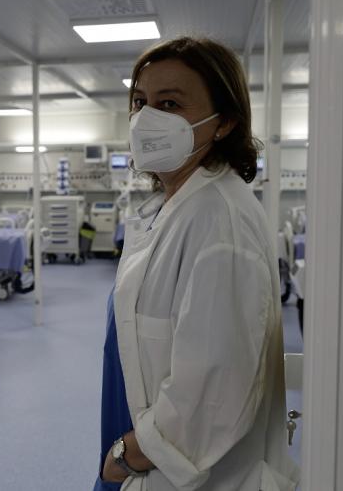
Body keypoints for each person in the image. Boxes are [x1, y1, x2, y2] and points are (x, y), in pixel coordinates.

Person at [93, 37, 300, 491]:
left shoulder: (220, 223)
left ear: (224, 122)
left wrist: (125, 455)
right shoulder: (177, 207)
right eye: (140, 102)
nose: (147, 118)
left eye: (170, 103)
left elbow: (213, 395)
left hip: (180, 471)